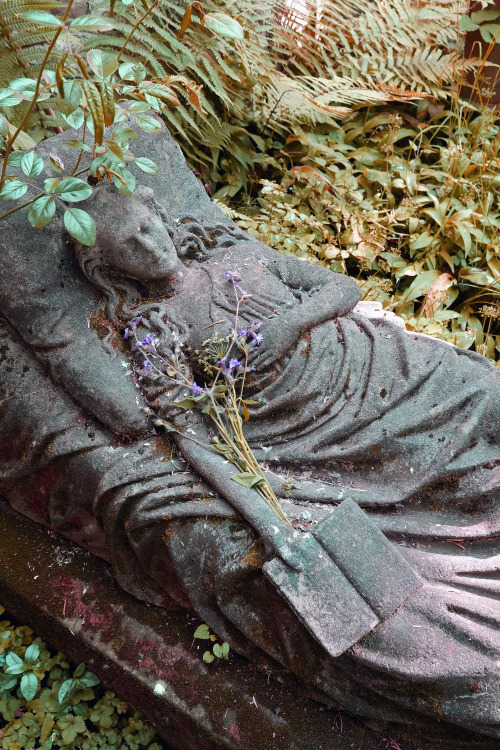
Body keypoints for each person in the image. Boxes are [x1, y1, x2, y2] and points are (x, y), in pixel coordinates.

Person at [2, 182, 500, 745]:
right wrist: (270, 521)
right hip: (299, 439)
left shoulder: (241, 259)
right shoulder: (152, 329)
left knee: (487, 396)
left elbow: (342, 285)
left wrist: (289, 324)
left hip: (373, 381)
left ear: (161, 213)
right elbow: (190, 437)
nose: (150, 245)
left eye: (148, 226)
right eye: (130, 247)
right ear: (108, 269)